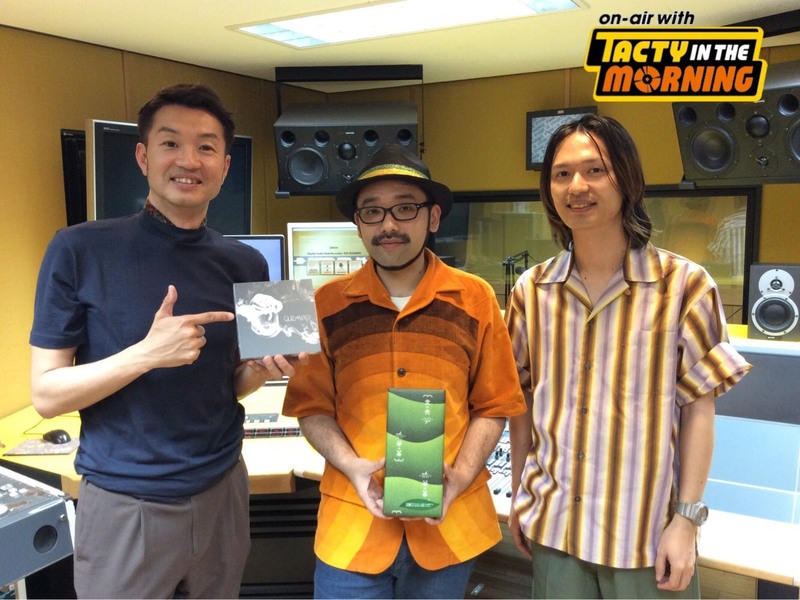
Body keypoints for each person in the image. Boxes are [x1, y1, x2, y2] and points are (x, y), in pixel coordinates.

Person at [29, 83, 304, 598]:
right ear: (143, 156)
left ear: (224, 166)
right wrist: (146, 355)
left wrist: (258, 370)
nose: (189, 160)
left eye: (206, 147)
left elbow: (230, 386)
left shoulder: (247, 263)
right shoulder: (79, 249)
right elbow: (46, 395)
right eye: (170, 143)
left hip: (223, 488)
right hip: (127, 502)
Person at [504, 114, 752, 599]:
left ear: (627, 178)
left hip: (646, 538)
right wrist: (518, 493)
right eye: (562, 174)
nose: (577, 186)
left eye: (595, 170)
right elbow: (522, 401)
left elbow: (698, 411)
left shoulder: (684, 286)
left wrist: (687, 520)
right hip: (555, 528)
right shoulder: (531, 291)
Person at [282, 143, 527, 599]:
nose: (389, 224)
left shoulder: (475, 299)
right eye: (372, 211)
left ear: (433, 218)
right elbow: (311, 408)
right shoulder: (324, 305)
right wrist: (351, 466)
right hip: (352, 527)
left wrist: (461, 475)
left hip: (448, 526)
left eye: (405, 208)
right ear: (358, 225)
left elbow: (494, 405)